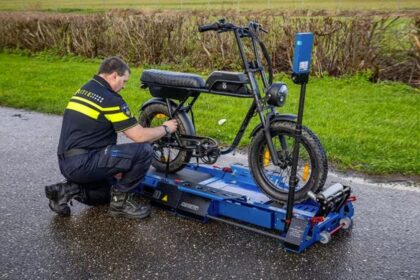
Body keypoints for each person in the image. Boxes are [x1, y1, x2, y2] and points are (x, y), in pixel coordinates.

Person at [45, 56, 177, 219]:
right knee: (143, 150)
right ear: (114, 75)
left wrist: (113, 167)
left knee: (106, 192)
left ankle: (64, 191)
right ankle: (120, 204)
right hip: (84, 162)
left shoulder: (86, 89)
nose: (124, 87)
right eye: (124, 81)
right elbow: (140, 136)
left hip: (67, 162)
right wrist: (166, 128)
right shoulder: (110, 99)